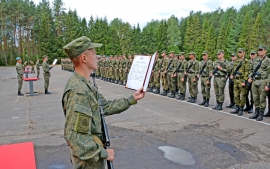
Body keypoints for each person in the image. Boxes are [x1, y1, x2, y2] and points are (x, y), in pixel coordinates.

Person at [62, 36, 145, 169]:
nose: (97, 57)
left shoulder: (86, 85)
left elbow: (104, 107)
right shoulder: (79, 90)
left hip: (91, 156)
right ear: (84, 58)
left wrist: (132, 99)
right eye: (94, 54)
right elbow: (75, 137)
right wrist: (103, 153)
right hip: (89, 160)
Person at [248, 45, 270, 121]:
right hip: (254, 81)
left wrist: (268, 84)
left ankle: (261, 114)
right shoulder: (255, 60)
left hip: (263, 81)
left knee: (262, 98)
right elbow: (251, 70)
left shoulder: (268, 61)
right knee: (255, 98)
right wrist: (250, 77)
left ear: (265, 50)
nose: (259, 51)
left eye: (261, 50)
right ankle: (256, 112)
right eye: (258, 50)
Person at [229, 48, 250, 116]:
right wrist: (232, 75)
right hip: (236, 80)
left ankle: (241, 109)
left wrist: (245, 81)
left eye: (240, 52)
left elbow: (247, 72)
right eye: (238, 52)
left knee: (242, 96)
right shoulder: (236, 61)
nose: (239, 53)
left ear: (244, 53)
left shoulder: (246, 61)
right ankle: (237, 107)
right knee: (236, 95)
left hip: (242, 80)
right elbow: (234, 69)